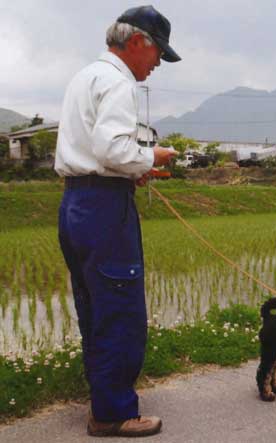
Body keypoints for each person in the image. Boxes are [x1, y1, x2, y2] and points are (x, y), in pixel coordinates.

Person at [55, 5, 180, 437]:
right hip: (105, 208)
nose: (157, 64)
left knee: (94, 307)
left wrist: (132, 167)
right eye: (157, 53)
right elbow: (113, 151)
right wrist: (152, 156)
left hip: (76, 203)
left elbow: (96, 152)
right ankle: (114, 413)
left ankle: (104, 399)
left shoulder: (85, 77)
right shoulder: (119, 84)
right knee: (120, 309)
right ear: (138, 42)